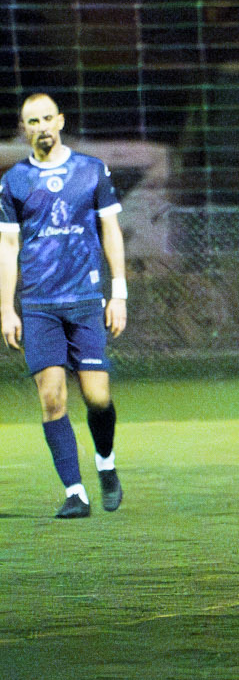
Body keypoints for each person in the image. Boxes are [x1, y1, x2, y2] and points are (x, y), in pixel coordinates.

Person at [0, 92, 127, 518]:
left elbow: (111, 230)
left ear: (61, 121)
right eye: (32, 121)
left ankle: (105, 464)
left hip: (86, 299)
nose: (41, 127)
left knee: (97, 397)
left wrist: (119, 293)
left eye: (47, 118)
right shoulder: (14, 180)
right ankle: (76, 492)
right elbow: (8, 245)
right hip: (39, 305)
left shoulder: (91, 170)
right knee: (52, 398)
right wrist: (6, 308)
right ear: (24, 129)